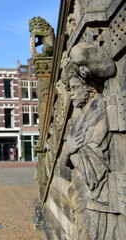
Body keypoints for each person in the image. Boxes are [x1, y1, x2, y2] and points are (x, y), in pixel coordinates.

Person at [60, 42, 124, 239]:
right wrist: (69, 150)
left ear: (90, 89)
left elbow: (95, 156)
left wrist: (71, 152)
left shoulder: (101, 110)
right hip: (80, 192)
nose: (71, 95)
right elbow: (64, 163)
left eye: (75, 88)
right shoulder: (77, 121)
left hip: (98, 196)